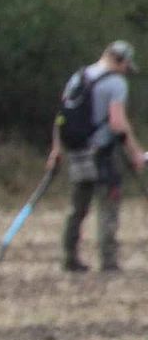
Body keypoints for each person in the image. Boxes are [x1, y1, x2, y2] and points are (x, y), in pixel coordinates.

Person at [47, 40, 144, 272]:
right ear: (120, 60)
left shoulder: (78, 77)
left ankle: (69, 257)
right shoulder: (116, 83)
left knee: (78, 207)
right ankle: (108, 260)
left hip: (78, 152)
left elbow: (61, 118)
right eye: (126, 65)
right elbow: (118, 123)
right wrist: (136, 153)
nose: (126, 71)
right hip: (103, 153)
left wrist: (56, 150)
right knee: (109, 203)